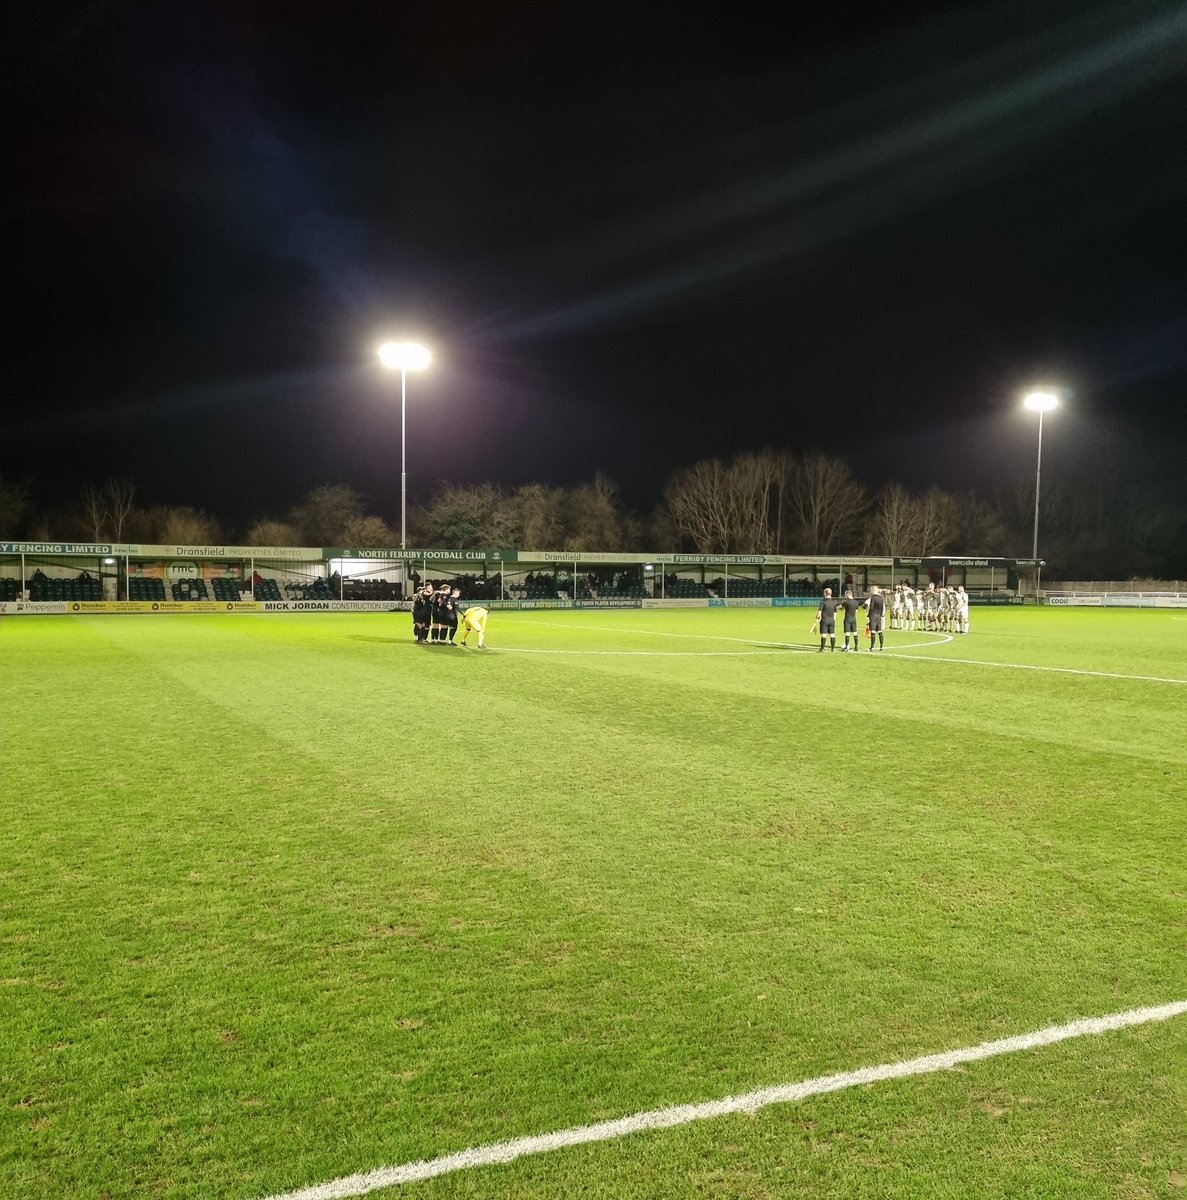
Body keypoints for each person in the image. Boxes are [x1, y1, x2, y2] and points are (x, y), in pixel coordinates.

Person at [863, 584, 887, 650]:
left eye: (871, 590)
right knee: (879, 631)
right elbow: (882, 607)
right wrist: (881, 615)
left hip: (873, 615)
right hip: (879, 616)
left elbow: (871, 607)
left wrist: (868, 616)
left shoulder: (873, 597)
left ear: (873, 590)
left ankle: (872, 647)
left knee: (873, 631)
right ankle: (881, 646)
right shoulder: (881, 598)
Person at [816, 588, 840, 652]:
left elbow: (819, 612)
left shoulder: (823, 602)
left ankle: (822, 648)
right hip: (832, 620)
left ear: (825, 593)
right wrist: (833, 620)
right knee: (832, 634)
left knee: (824, 635)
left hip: (824, 620)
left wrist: (817, 618)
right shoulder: (834, 602)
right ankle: (832, 649)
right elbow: (835, 613)